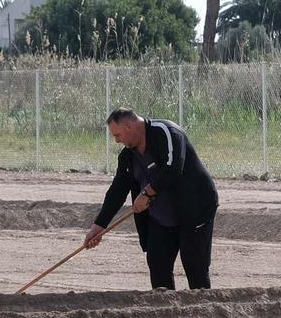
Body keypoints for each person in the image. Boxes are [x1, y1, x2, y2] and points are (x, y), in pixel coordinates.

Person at [82, 108, 220, 290]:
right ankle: (165, 312)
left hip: (195, 209)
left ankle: (203, 311)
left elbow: (173, 169)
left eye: (118, 135)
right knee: (157, 264)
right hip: (162, 216)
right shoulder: (128, 155)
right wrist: (99, 225)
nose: (116, 140)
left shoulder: (167, 132)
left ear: (129, 126)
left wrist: (147, 193)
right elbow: (118, 189)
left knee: (195, 267)